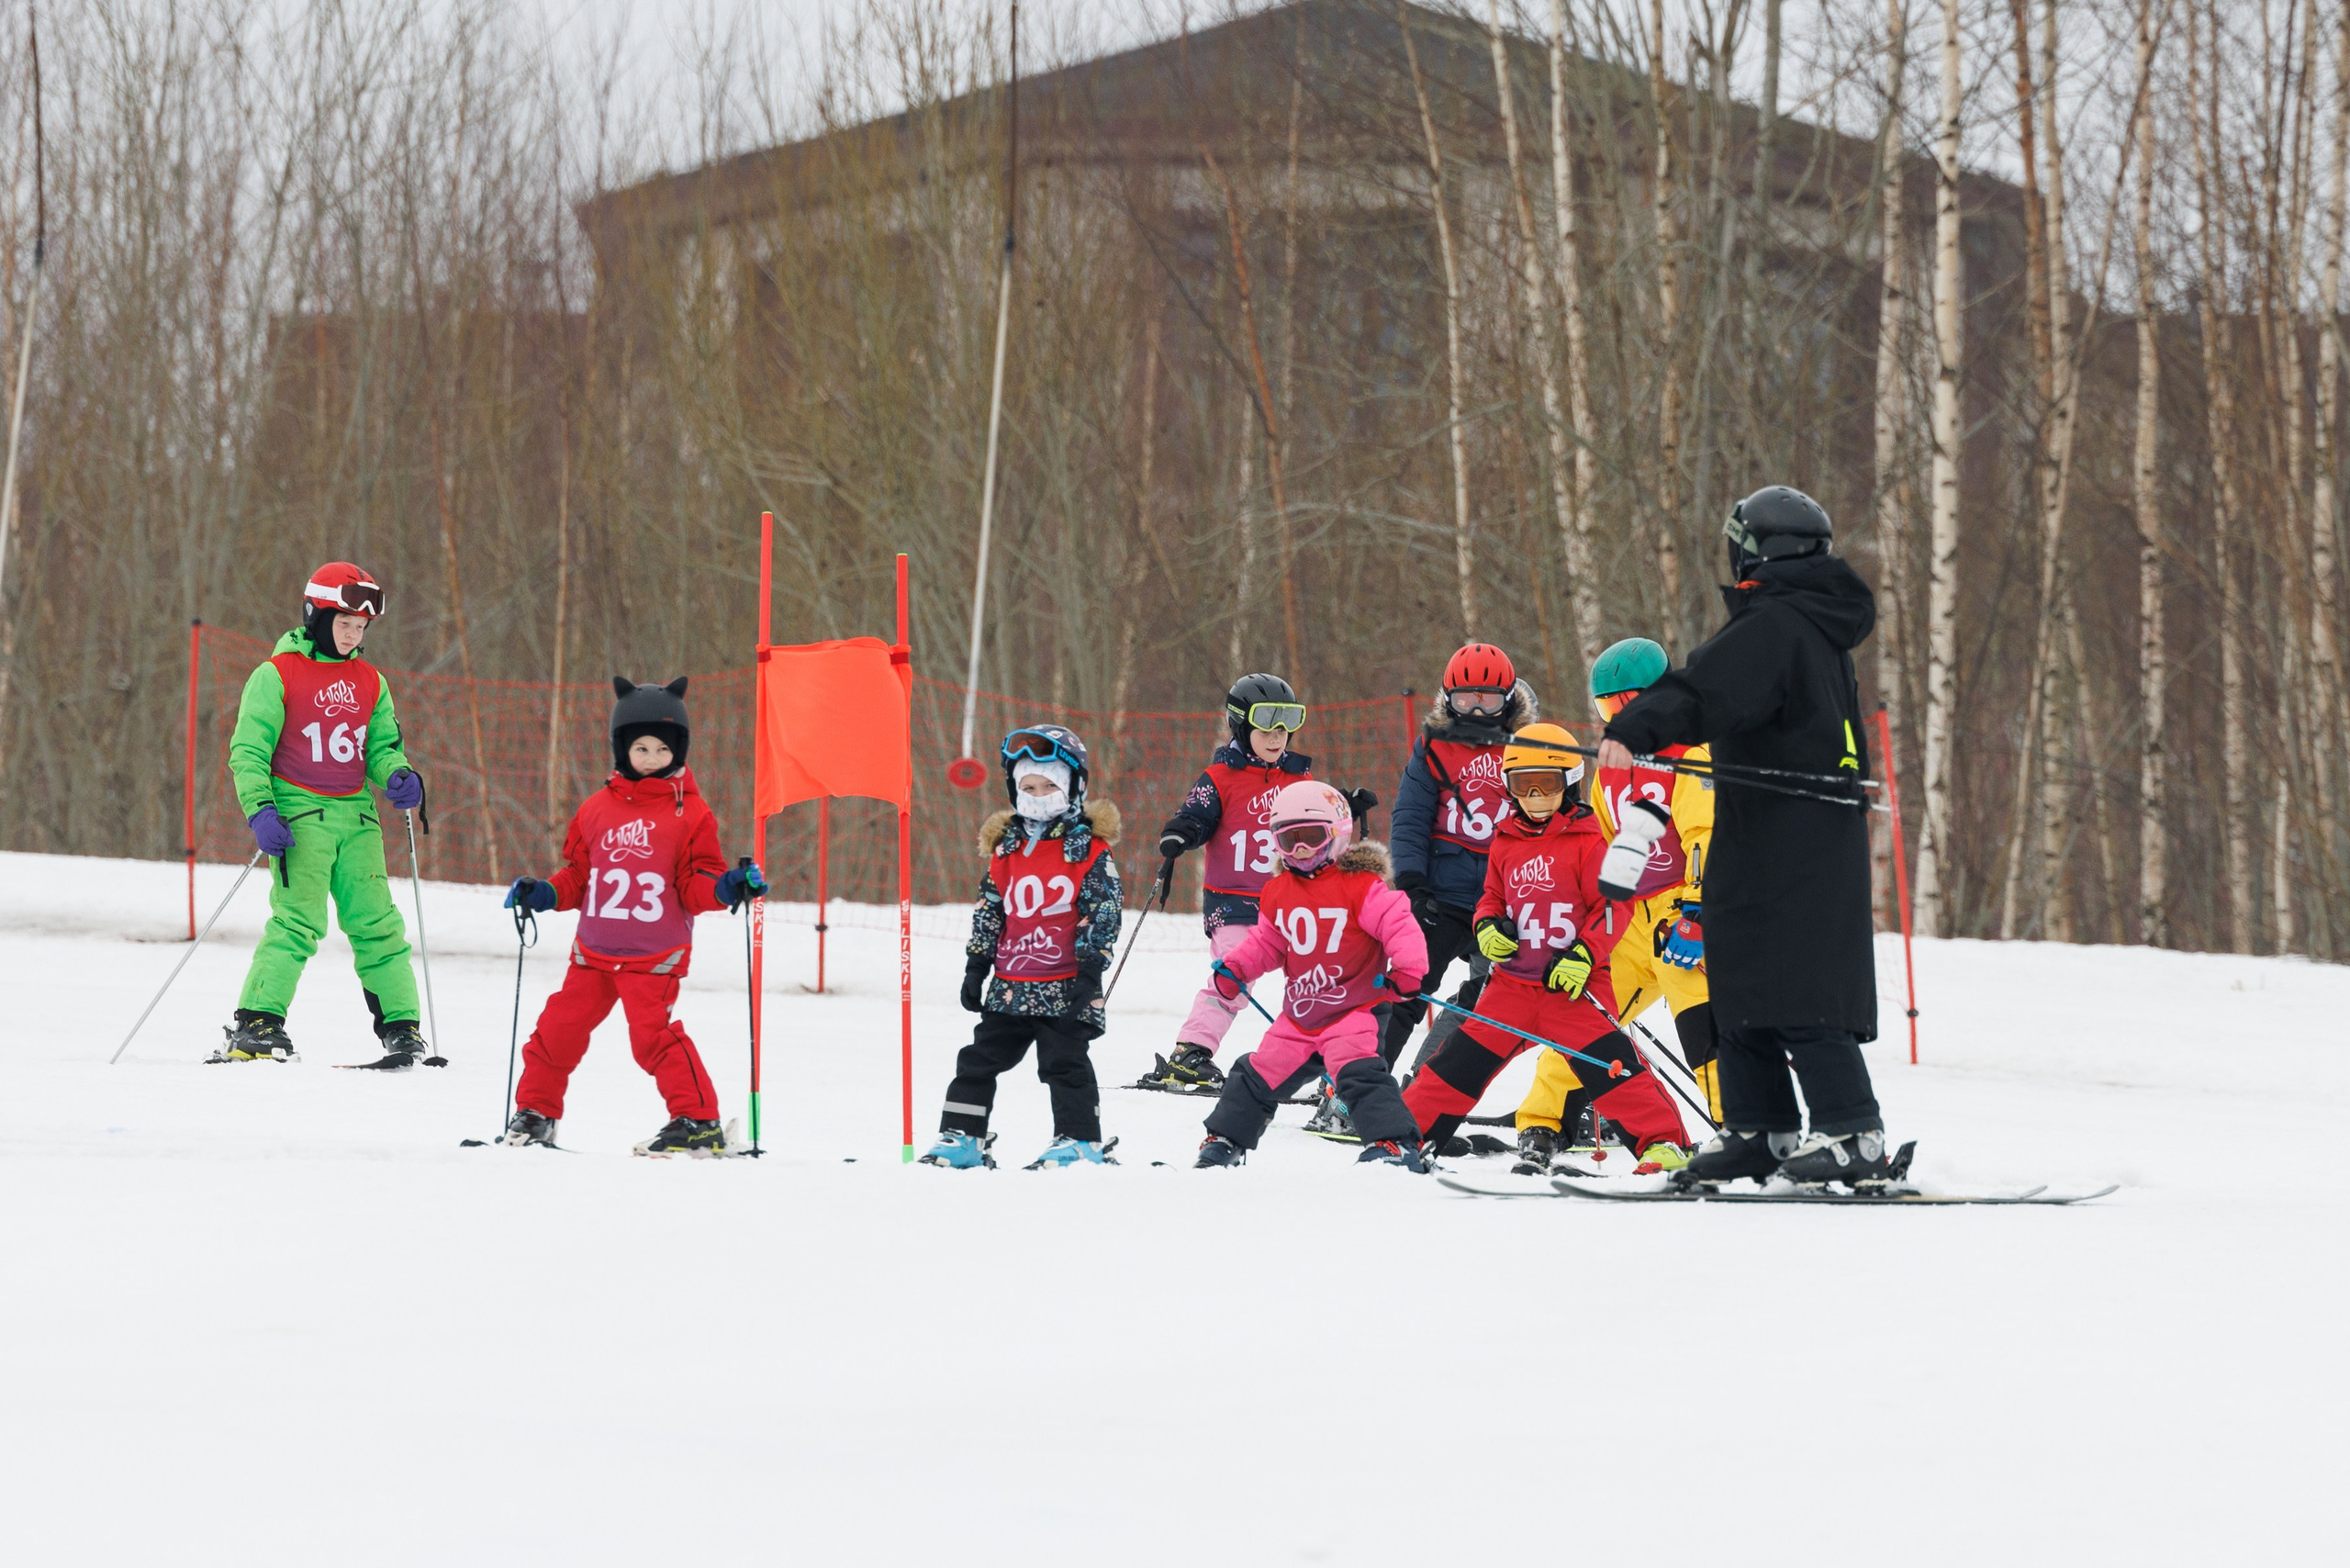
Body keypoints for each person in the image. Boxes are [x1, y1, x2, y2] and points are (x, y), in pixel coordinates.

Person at [1596, 485, 1890, 1185]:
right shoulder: (1813, 626)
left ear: (1749, 549)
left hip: (1793, 833)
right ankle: (1762, 1130)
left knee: (1796, 977)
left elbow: (1705, 688)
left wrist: (1636, 727)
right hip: (1777, 828)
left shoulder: (1777, 626)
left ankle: (1855, 1133)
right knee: (1741, 968)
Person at [1400, 724, 1691, 1171]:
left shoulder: (1590, 841)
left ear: (1570, 782)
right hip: (1511, 988)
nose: (1536, 796)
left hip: (1572, 988)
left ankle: (1662, 1145)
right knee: (1456, 1066)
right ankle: (1406, 1137)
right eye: (1523, 785)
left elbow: (1615, 907)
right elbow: (1491, 898)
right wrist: (1486, 927)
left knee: (1612, 1070)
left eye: (1548, 784)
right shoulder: (1505, 842)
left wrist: (1584, 955)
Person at [498, 677, 765, 1156]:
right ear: (622, 749)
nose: (650, 758)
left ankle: (698, 1121)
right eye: (639, 748)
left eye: (662, 749)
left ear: (678, 751)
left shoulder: (692, 815)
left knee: (654, 1040)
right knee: (556, 1031)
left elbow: (694, 884)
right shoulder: (595, 810)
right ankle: (536, 1114)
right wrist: (542, 894)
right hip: (594, 953)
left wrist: (726, 887)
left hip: (653, 955)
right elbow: (578, 877)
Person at [213, 562, 433, 1070]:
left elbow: (381, 746)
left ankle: (402, 1027)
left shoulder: (371, 681)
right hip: (300, 813)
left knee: (378, 922)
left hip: (356, 818)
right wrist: (260, 810)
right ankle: (258, 1022)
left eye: (361, 628)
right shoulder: (276, 675)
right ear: (315, 616)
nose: (353, 636)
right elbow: (248, 750)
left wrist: (398, 773)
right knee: (298, 921)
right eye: (344, 624)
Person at [1512, 638, 1719, 1175]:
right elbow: (1607, 850)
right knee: (1582, 1015)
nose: (1620, 717)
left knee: (1705, 1026)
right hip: (1630, 921)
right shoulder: (1611, 770)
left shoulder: (1690, 756)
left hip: (1681, 916)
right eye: (1608, 708)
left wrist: (1697, 912)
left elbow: (1705, 835)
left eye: (1629, 703)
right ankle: (1544, 1121)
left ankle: (1743, 1126)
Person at [1139, 674, 1377, 1093]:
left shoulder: (1301, 782)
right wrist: (1182, 832)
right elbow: (1196, 816)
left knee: (1322, 980)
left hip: (1291, 902)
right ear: (1241, 727)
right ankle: (1191, 1052)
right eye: (1266, 729)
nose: (1276, 738)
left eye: (1283, 730)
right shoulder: (1219, 779)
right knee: (1235, 973)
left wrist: (1346, 805)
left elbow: (1325, 824)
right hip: (1233, 903)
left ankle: (1335, 1069)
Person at [1193, 781, 1431, 1170]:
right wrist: (1236, 968)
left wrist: (1408, 970)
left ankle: (1394, 1144)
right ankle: (1225, 1140)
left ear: (1337, 833)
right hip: (1300, 1018)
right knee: (1256, 1073)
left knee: (1359, 1074)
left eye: (1310, 837)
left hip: (1355, 1009)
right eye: (1288, 841)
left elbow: (1398, 923)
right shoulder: (1278, 891)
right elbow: (1267, 943)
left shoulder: (1360, 886)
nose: (1300, 850)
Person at [922, 726, 1125, 1171]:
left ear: (1074, 786)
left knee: (1064, 1063)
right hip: (1012, 984)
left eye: (1049, 785)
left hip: (1067, 983)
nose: (1037, 795)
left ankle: (1079, 1141)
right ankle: (964, 1137)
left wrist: (1091, 971)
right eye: (1027, 786)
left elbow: (1103, 910)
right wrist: (977, 965)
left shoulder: (1088, 849)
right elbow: (990, 909)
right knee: (976, 1060)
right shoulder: (1006, 849)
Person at [1378, 643, 1534, 1076]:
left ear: (1509, 699)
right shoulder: (1433, 746)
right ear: (1448, 699)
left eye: (1489, 700)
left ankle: (1427, 1083)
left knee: (1486, 998)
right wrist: (1412, 883)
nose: (1478, 712)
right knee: (1407, 985)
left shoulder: (1528, 749)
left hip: (1503, 901)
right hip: (1441, 894)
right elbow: (1410, 815)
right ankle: (1359, 1084)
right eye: (1467, 700)